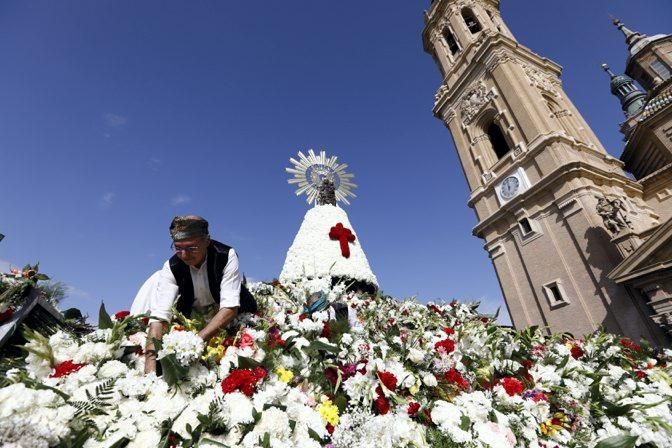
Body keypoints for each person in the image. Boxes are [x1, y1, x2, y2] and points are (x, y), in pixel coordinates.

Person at [140, 215, 243, 374]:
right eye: (178, 248)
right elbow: (159, 318)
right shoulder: (171, 267)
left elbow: (229, 308)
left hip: (229, 320)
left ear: (207, 241)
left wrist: (194, 342)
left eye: (191, 248)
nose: (184, 255)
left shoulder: (226, 256)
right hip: (191, 320)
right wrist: (149, 369)